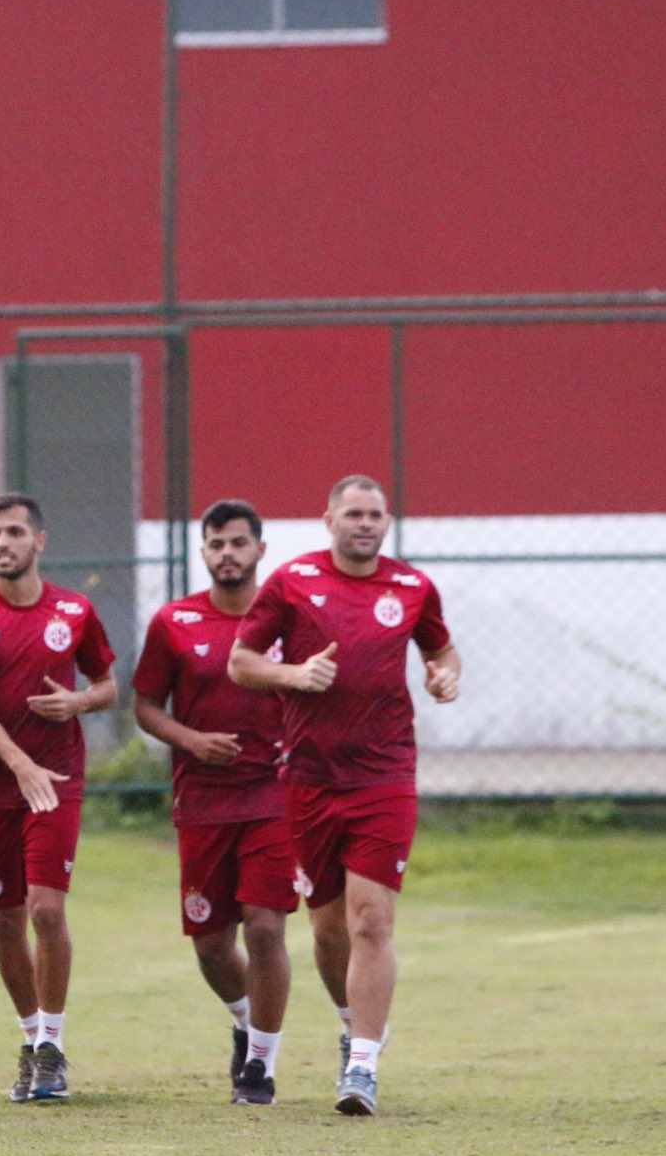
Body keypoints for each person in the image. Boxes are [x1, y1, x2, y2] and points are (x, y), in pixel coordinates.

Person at [229, 475, 460, 1116]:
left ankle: (362, 1066)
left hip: (384, 776)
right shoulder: (292, 583)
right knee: (329, 930)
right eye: (352, 513)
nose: (364, 523)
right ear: (328, 519)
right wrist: (294, 674)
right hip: (308, 779)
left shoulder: (411, 587)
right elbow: (241, 662)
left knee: (371, 920)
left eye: (375, 515)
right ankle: (349, 1023)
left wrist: (445, 678)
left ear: (387, 522)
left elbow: (443, 649)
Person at [134, 500, 319, 1106]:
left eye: (239, 543)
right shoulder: (174, 622)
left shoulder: (291, 623)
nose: (228, 554)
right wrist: (190, 740)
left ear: (261, 549)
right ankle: (245, 1020)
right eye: (217, 544)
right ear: (204, 551)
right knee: (212, 944)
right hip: (203, 802)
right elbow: (146, 707)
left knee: (266, 929)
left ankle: (261, 1066)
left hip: (274, 796)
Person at [0, 493, 115, 1103]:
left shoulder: (74, 609)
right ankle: (28, 1036)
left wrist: (79, 703)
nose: (1, 543)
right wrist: (17, 764)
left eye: (14, 532)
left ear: (39, 540)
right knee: (5, 917)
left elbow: (107, 684)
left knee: (46, 909)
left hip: (57, 782)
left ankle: (52, 1047)